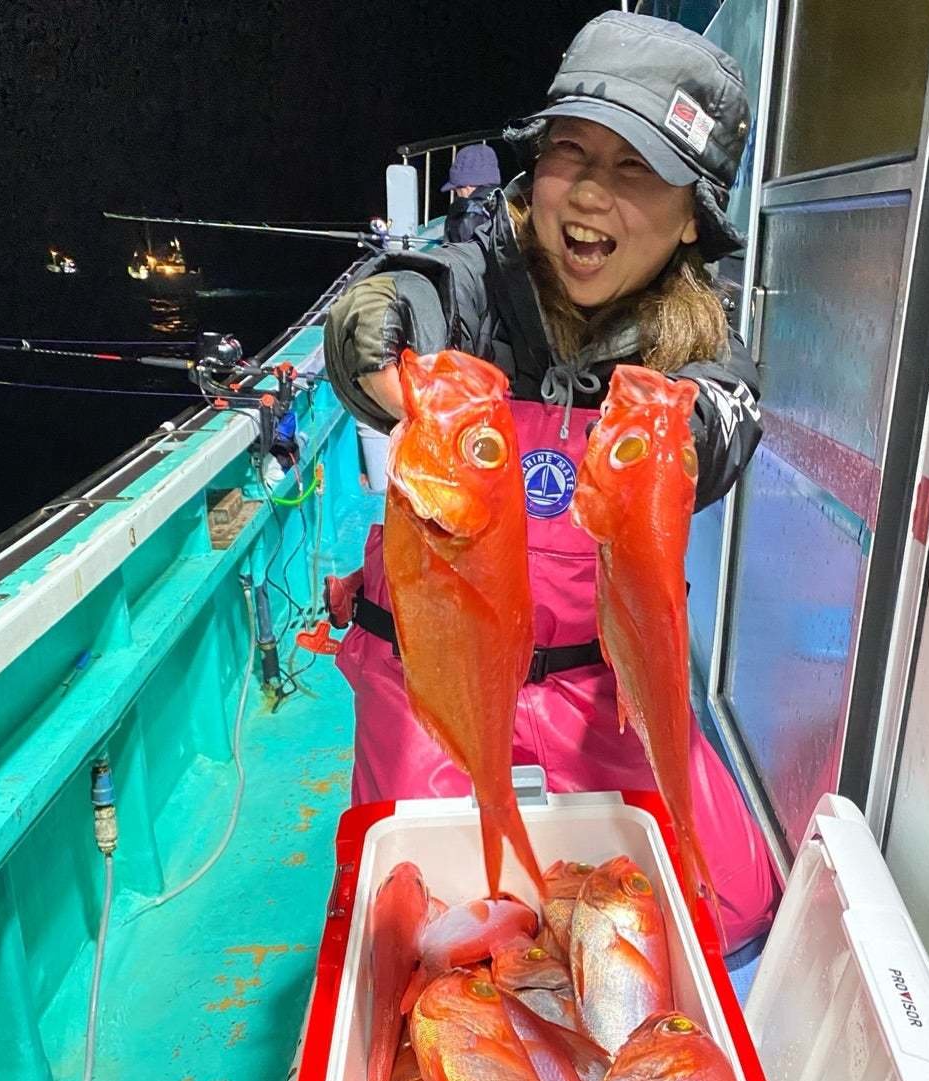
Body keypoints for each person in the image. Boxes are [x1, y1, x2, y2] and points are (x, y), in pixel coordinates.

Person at [323, 10, 779, 958]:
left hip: (593, 685)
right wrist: (372, 327)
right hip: (435, 672)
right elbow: (411, 290)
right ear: (535, 170)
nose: (593, 193)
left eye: (637, 168)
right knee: (417, 927)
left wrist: (674, 439)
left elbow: (728, 411)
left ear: (691, 217)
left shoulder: (698, 336)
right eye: (572, 152)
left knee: (727, 903)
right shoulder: (479, 278)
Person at [441, 143, 501, 243]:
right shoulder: (508, 204)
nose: (455, 192)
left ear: (465, 185)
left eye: (456, 188)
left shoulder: (469, 214)